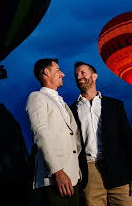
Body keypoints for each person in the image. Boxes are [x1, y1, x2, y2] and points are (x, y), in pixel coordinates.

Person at [69, 61, 132, 206]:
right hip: (89, 172)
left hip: (118, 170)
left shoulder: (115, 105)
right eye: (76, 74)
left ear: (94, 76)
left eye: (82, 72)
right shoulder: (71, 110)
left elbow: (129, 142)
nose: (79, 77)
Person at [26, 58, 82, 206]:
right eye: (58, 70)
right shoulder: (36, 97)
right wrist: (57, 171)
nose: (63, 74)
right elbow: (41, 134)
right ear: (46, 72)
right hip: (55, 178)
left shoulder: (63, 103)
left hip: (73, 177)